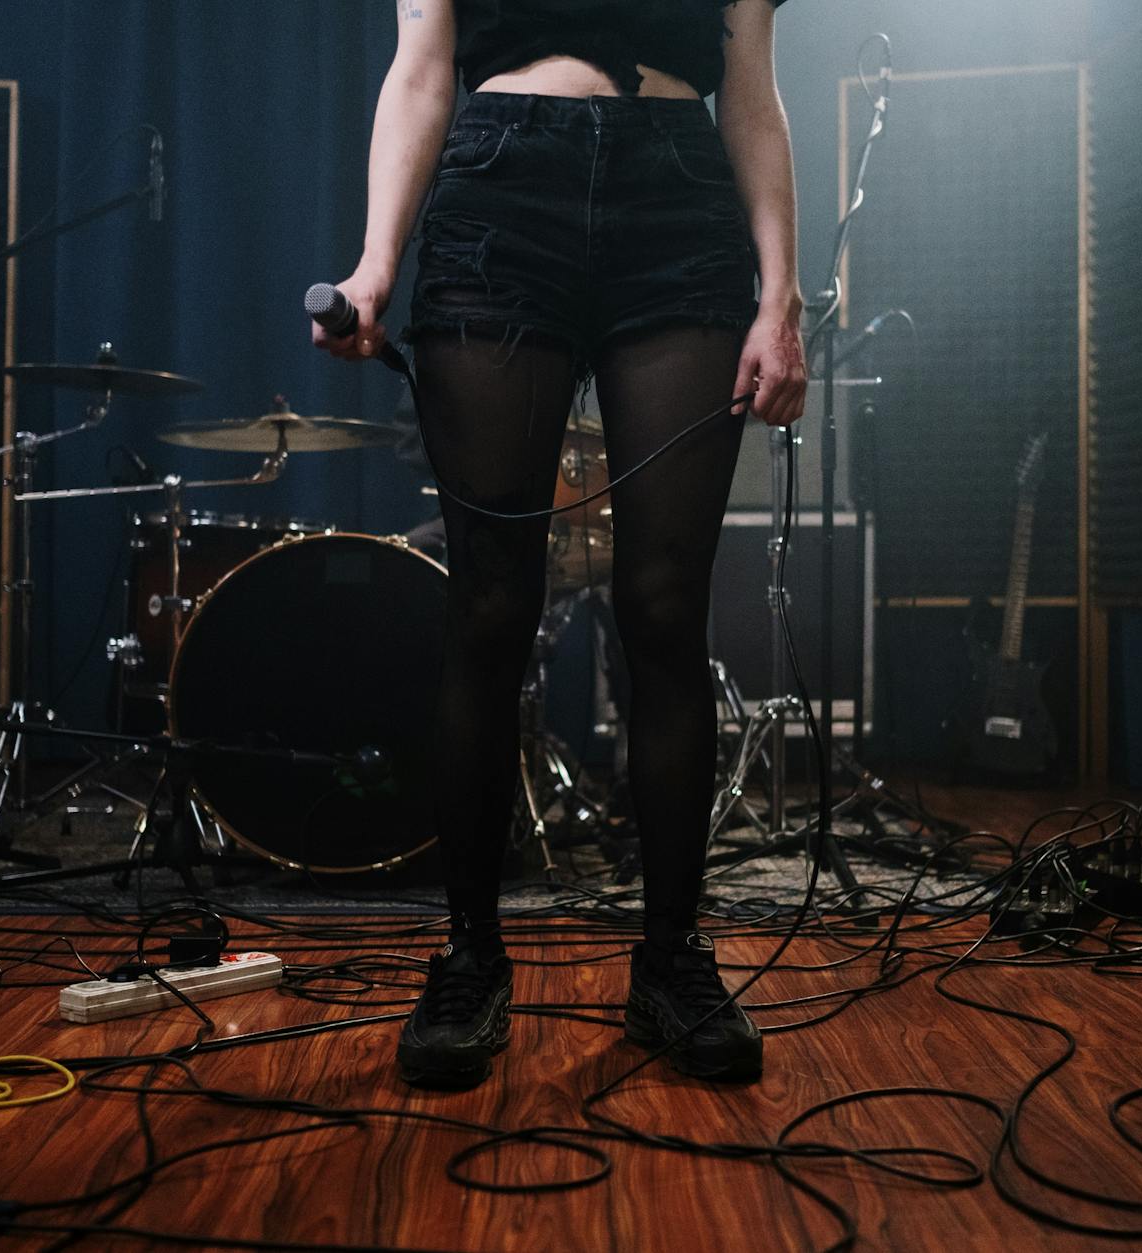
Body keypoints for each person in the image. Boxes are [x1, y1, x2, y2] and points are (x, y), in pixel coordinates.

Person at [312, 0, 806, 1089]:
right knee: (489, 605)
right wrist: (375, 263)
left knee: (666, 609)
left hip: (677, 206)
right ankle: (468, 958)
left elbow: (752, 94)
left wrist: (779, 295)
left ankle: (672, 958)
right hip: (500, 192)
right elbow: (420, 72)